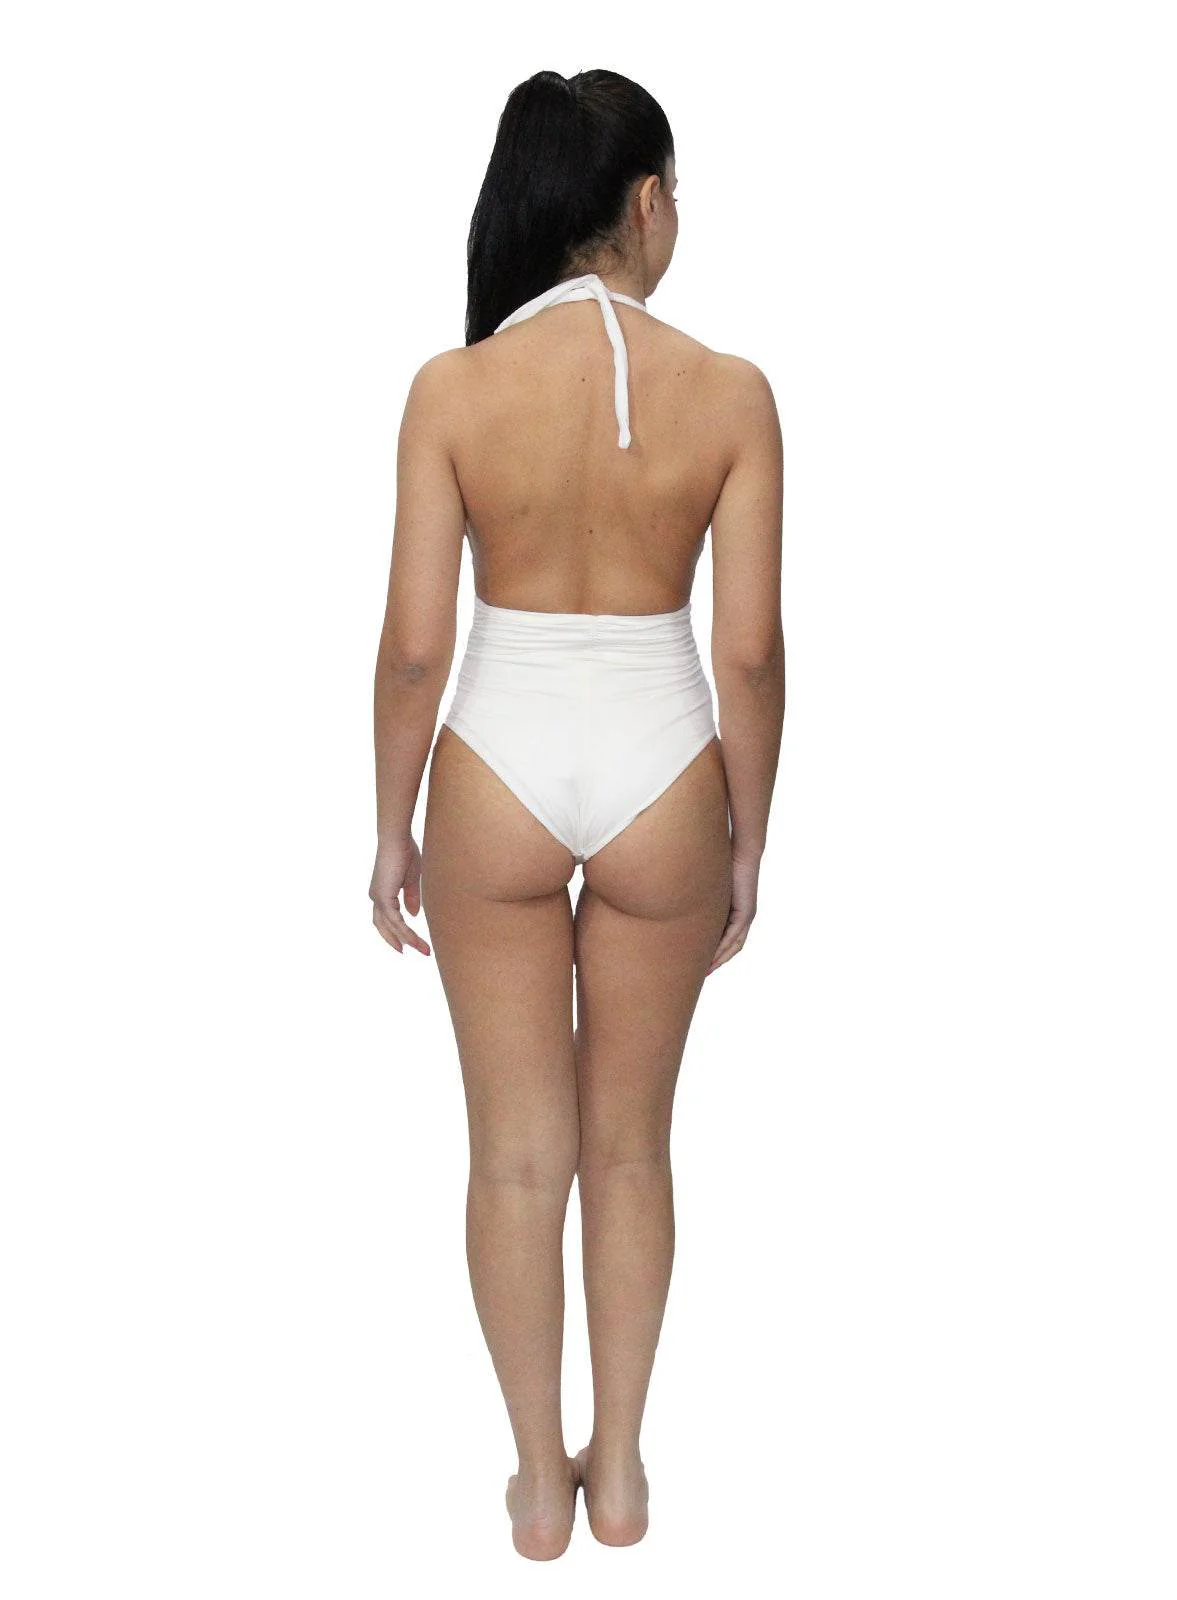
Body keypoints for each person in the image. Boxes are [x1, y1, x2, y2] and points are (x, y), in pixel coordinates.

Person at [369, 67, 784, 1560]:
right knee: (632, 1148)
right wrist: (747, 835)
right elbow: (750, 652)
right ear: (646, 201)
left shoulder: (454, 389)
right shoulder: (730, 393)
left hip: (497, 763)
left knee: (514, 1156)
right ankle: (622, 1478)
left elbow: (416, 644)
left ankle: (539, 1488)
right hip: (669, 764)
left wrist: (393, 824)